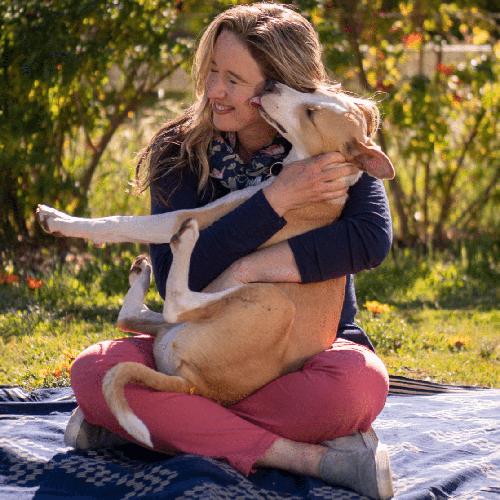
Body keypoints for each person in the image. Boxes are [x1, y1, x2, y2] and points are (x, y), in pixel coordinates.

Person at [66, 3, 394, 498]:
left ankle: (152, 425)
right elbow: (176, 277)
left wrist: (248, 268)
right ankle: (307, 456)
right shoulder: (178, 149)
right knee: (94, 372)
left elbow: (370, 240)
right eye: (212, 71)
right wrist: (274, 201)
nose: (214, 91)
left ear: (281, 83)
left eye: (234, 80)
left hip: (305, 352)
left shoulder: (329, 130)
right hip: (204, 337)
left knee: (356, 387)